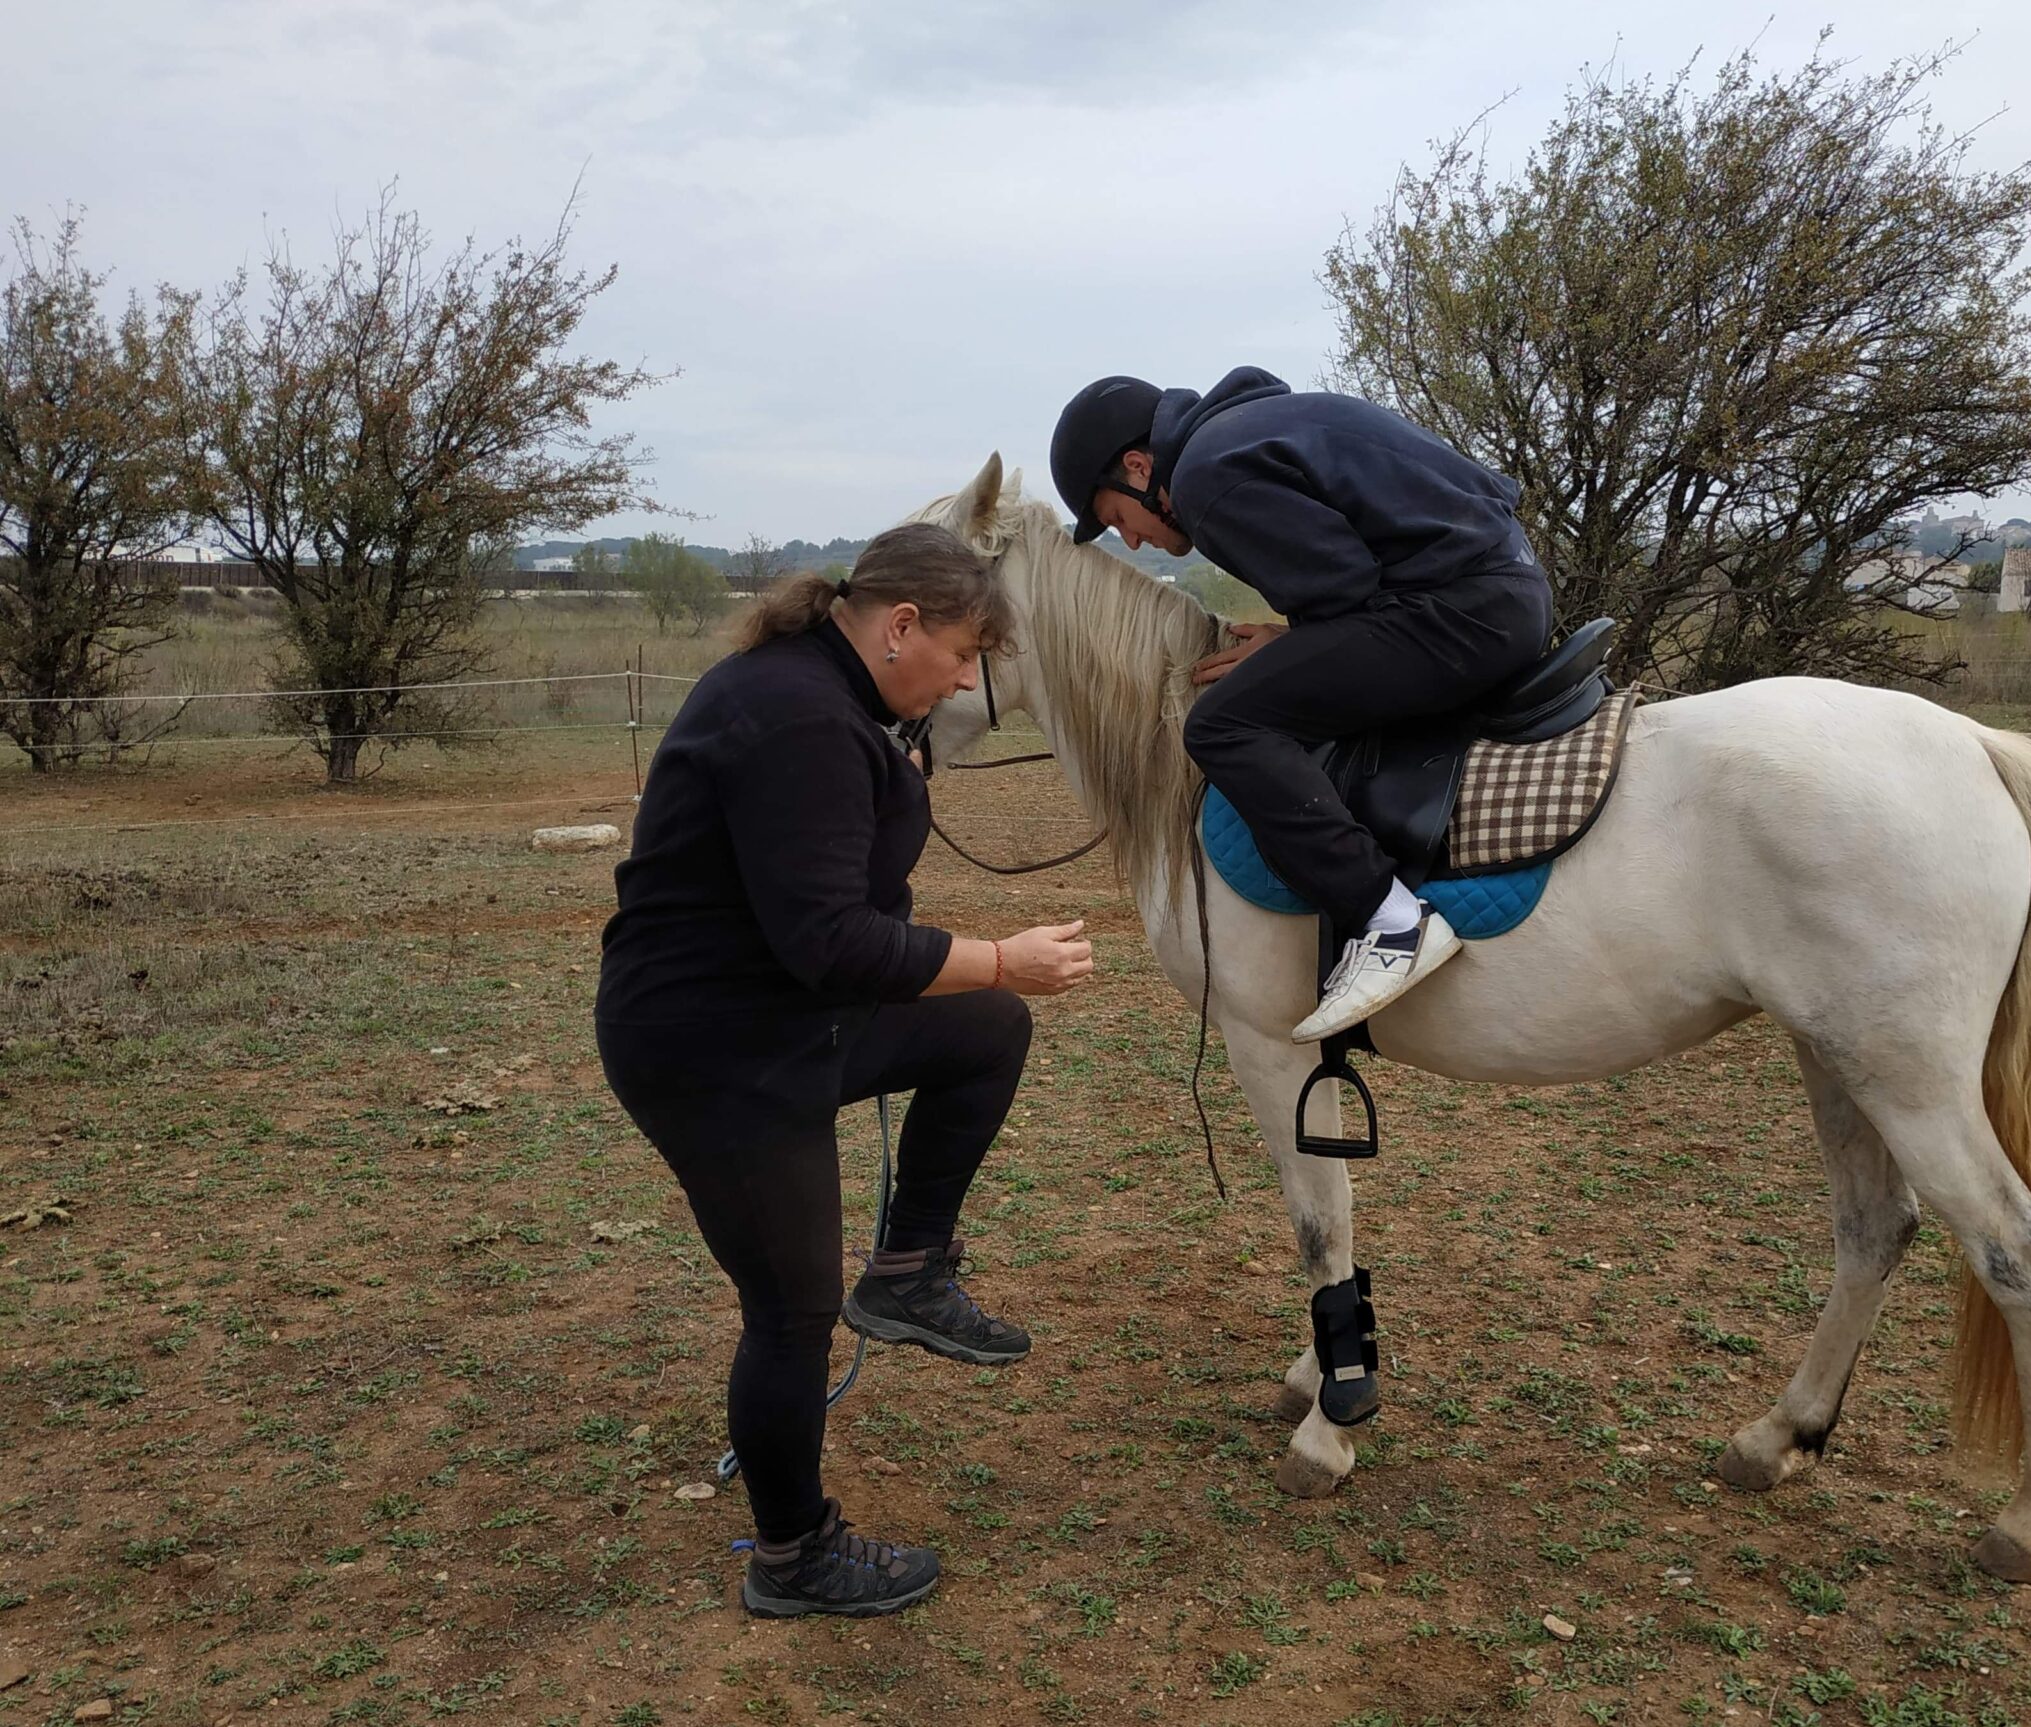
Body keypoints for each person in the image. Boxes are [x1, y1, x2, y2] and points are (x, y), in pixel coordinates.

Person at [595, 524, 1093, 1619]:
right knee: (790, 1310)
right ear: (900, 626)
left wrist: (895, 780)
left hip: (786, 1018)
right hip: (714, 1049)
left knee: (984, 1028)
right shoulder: (797, 717)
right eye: (962, 655)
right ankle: (792, 1557)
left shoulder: (831, 704)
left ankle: (909, 1271)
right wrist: (999, 956)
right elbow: (830, 942)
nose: (965, 680)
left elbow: (838, 907)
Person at [1048, 368, 1553, 1041]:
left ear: (1139, 468)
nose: (1131, 540)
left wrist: (1294, 643)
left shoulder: (1201, 477)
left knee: (1224, 722)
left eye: (1117, 518)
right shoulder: (1248, 429)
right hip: (1503, 586)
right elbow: (1351, 572)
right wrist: (1294, 639)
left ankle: (1391, 920)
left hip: (1464, 610)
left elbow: (1344, 588)